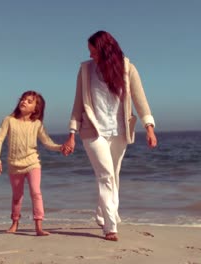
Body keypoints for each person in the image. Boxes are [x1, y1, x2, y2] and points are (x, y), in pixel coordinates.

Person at [62, 30, 158, 241]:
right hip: (93, 131)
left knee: (113, 175)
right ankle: (110, 226)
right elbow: (78, 103)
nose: (90, 56)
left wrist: (149, 127)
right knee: (106, 176)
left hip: (119, 131)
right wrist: (71, 133)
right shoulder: (85, 70)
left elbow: (140, 99)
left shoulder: (127, 69)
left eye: (93, 51)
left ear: (105, 50)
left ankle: (102, 213)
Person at [0, 90, 64, 236]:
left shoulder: (37, 124)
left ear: (36, 108)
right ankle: (15, 222)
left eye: (29, 101)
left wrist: (60, 148)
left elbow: (47, 143)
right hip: (14, 165)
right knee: (17, 196)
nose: (24, 102)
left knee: (36, 192)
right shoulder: (9, 120)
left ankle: (38, 226)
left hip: (32, 163)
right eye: (23, 99)